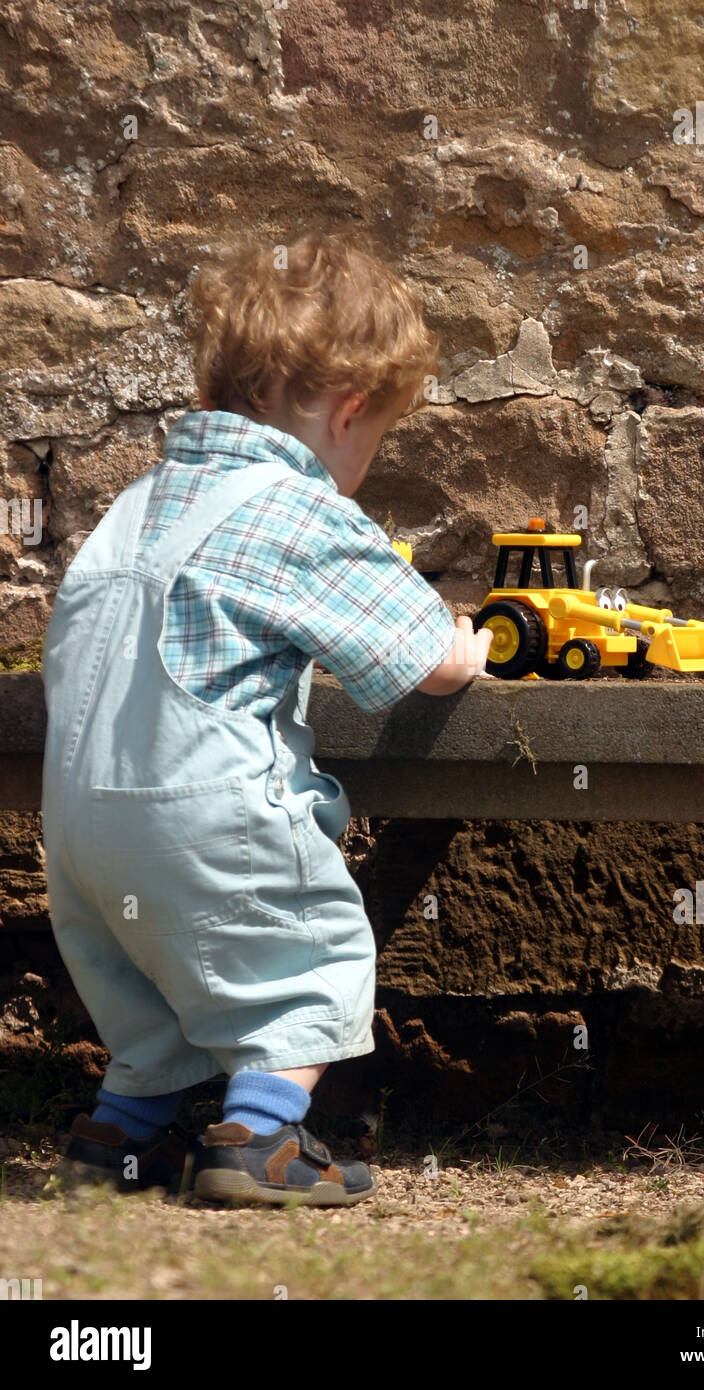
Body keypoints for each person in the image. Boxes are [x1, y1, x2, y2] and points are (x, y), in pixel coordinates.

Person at [42, 233, 492, 1206]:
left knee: (155, 993)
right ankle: (258, 1137)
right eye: (377, 441)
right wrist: (466, 643)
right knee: (312, 953)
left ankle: (117, 1137)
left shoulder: (132, 507)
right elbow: (418, 653)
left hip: (79, 826)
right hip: (202, 816)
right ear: (348, 411)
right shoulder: (294, 507)